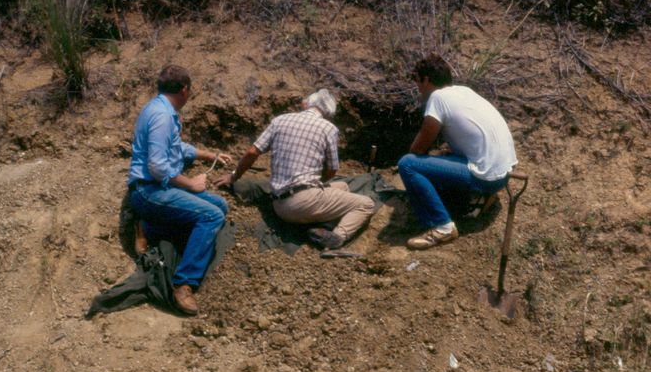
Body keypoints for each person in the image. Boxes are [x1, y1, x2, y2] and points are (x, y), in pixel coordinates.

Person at [128, 65, 231, 315]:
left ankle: (150, 227)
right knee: (212, 216)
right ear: (185, 90)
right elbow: (156, 166)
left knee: (221, 206)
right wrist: (191, 184)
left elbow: (175, 148)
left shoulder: (162, 109)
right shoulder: (163, 116)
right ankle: (184, 283)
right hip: (149, 191)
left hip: (157, 188)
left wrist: (207, 155)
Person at [216, 89, 374, 253]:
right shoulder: (328, 128)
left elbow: (252, 152)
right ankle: (336, 238)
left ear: (305, 104)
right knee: (366, 204)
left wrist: (233, 176)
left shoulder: (279, 120)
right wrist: (315, 182)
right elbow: (332, 170)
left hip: (279, 204)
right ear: (328, 114)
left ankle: (320, 224)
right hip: (303, 203)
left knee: (342, 187)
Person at [398, 54, 518, 249]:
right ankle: (479, 197)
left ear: (427, 79)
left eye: (417, 79)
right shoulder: (464, 91)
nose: (417, 86)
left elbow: (418, 148)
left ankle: (442, 227)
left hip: (486, 177)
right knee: (443, 158)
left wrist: (418, 158)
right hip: (505, 173)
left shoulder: (437, 97)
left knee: (408, 164)